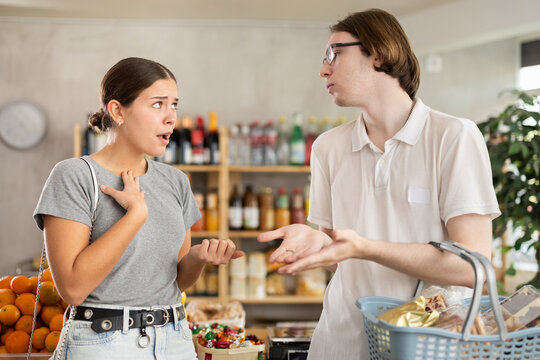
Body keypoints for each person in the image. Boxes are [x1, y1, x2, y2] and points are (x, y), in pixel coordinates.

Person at [258, 9, 501, 360]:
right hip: (340, 341)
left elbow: (472, 266)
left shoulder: (452, 136)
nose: (323, 69)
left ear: (379, 53)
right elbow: (338, 254)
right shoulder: (328, 147)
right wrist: (318, 243)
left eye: (334, 54)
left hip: (426, 345)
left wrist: (366, 247)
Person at [33, 57, 243, 359]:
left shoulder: (176, 181)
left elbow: (175, 282)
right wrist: (135, 217)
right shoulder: (75, 175)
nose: (171, 117)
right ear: (118, 110)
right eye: (158, 104)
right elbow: (73, 288)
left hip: (175, 339)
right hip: (103, 343)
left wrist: (196, 259)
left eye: (174, 105)